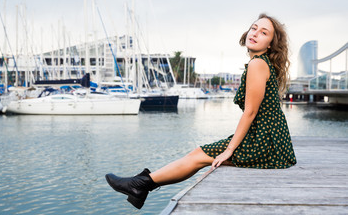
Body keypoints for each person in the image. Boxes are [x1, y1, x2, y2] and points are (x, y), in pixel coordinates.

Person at [105, 13, 297, 209]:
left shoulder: (258, 64)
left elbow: (250, 112)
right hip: (270, 140)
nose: (255, 33)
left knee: (200, 157)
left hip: (266, 144)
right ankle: (139, 184)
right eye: (254, 28)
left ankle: (139, 185)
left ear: (271, 44)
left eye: (264, 32)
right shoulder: (261, 63)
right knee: (198, 153)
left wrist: (229, 150)